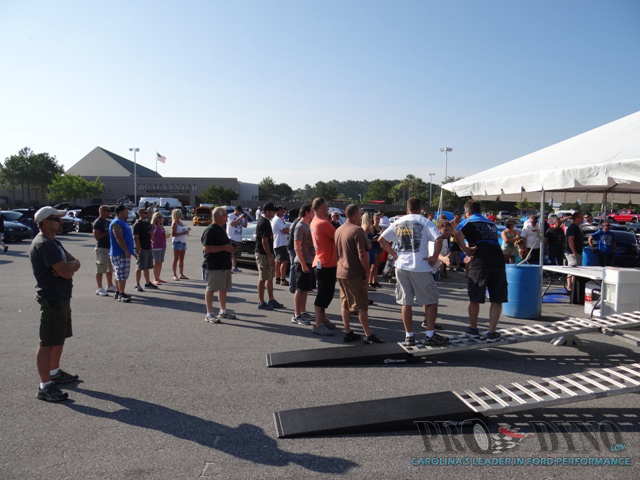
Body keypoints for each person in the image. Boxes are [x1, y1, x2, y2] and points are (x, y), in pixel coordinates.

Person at [379, 197, 447, 345]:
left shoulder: (398, 221)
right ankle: (429, 335)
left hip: (401, 266)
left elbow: (381, 240)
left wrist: (394, 254)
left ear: (407, 208)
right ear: (420, 208)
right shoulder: (425, 221)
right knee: (431, 301)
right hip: (420, 266)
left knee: (406, 303)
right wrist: (434, 257)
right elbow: (439, 238)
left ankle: (409, 335)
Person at [30, 206, 81, 402]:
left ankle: (54, 372)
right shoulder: (44, 244)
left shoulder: (54, 242)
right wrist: (68, 267)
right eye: (57, 219)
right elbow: (66, 272)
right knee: (47, 342)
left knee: (59, 337)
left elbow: (74, 263)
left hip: (61, 297)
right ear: (45, 222)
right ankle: (45, 386)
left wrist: (70, 265)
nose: (61, 222)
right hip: (52, 299)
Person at [454, 199, 507, 342]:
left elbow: (457, 233)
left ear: (468, 212)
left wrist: (465, 250)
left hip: (481, 259)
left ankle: (473, 329)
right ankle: (492, 332)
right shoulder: (491, 223)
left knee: (474, 296)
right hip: (498, 259)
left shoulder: (468, 221)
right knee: (497, 298)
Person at [335, 204, 385, 344]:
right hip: (354, 272)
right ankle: (368, 335)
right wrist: (367, 272)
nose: (361, 216)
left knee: (345, 303)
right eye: (360, 214)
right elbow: (362, 253)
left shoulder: (339, 229)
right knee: (362, 305)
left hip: (341, 271)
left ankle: (348, 331)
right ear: (355, 215)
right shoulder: (357, 230)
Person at [202, 207, 237, 323]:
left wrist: (230, 248)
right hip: (214, 265)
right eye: (225, 215)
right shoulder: (210, 230)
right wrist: (224, 248)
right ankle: (209, 314)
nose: (227, 217)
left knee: (222, 288)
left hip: (224, 264)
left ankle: (223, 311)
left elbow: (223, 245)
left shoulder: (221, 228)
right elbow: (207, 248)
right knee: (211, 289)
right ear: (218, 217)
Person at [310, 197, 338, 336]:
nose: (328, 209)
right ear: (321, 208)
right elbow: (338, 237)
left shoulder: (314, 222)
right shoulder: (323, 223)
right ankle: (318, 324)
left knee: (326, 293)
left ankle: (322, 319)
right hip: (325, 263)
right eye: (327, 207)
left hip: (322, 261)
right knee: (324, 294)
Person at [255, 203, 284, 310]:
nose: (274, 213)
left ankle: (271, 300)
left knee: (269, 277)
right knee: (263, 278)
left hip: (267, 253)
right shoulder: (264, 222)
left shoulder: (267, 222)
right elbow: (264, 241)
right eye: (273, 211)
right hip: (263, 254)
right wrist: (270, 256)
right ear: (267, 211)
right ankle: (261, 302)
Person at [291, 204, 316, 325]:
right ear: (306, 212)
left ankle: (303, 311)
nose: (314, 213)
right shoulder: (300, 226)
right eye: (312, 211)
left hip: (309, 260)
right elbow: (297, 247)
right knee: (300, 289)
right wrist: (303, 264)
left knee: (305, 289)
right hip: (302, 261)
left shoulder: (308, 225)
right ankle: (296, 315)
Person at [109, 205, 136, 302]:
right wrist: (125, 250)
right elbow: (118, 237)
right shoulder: (116, 223)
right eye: (125, 211)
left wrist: (131, 251)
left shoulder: (123, 222)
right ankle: (121, 294)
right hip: (119, 253)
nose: (127, 213)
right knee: (121, 274)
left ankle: (118, 292)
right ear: (120, 212)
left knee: (121, 273)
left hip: (124, 252)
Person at [92, 205, 116, 296]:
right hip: (102, 248)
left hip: (110, 247)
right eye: (107, 210)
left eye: (109, 211)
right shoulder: (98, 222)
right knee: (100, 268)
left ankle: (109, 285)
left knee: (110, 268)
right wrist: (108, 232)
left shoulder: (108, 222)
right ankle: (100, 288)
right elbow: (97, 236)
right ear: (101, 211)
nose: (109, 212)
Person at [133, 208, 157, 292]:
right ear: (139, 214)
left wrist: (152, 234)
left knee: (147, 266)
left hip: (148, 247)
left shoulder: (148, 224)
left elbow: (152, 237)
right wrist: (139, 249)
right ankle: (137, 284)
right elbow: (135, 237)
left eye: (147, 213)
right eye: (144, 213)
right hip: (141, 248)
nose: (146, 214)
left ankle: (147, 282)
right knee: (139, 267)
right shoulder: (137, 224)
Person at [564, 212, 584, 291]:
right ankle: (571, 288)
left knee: (573, 270)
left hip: (577, 252)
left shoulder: (577, 227)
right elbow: (570, 240)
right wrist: (574, 252)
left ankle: (572, 288)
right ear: (576, 218)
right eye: (580, 217)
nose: (582, 219)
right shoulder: (573, 227)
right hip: (572, 253)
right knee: (574, 270)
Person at [272, 206, 291, 286]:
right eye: (282, 211)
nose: (283, 212)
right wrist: (290, 228)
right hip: (280, 243)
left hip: (278, 243)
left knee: (278, 261)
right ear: (278, 211)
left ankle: (277, 278)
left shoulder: (276, 219)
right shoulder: (278, 219)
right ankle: (282, 279)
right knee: (285, 261)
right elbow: (284, 230)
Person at [226, 205, 248, 273]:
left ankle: (234, 267)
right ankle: (231, 267)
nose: (239, 213)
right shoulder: (230, 216)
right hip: (231, 237)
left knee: (236, 254)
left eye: (240, 212)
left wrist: (245, 219)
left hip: (238, 237)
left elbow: (245, 226)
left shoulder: (241, 217)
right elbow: (232, 224)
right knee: (232, 254)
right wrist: (240, 218)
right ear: (235, 210)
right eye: (238, 211)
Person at [171, 208, 190, 280]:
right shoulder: (174, 223)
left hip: (183, 242)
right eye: (178, 214)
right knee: (176, 259)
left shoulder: (181, 223)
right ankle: (174, 275)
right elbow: (173, 234)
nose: (179, 215)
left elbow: (183, 232)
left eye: (180, 214)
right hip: (177, 242)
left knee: (182, 259)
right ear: (175, 215)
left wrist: (187, 230)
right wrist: (183, 233)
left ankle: (181, 274)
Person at [150, 212, 168, 284]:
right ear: (155, 218)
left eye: (161, 217)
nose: (161, 219)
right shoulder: (154, 226)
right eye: (159, 217)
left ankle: (158, 277)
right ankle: (155, 279)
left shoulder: (162, 226)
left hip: (162, 246)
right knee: (156, 262)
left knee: (160, 262)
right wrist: (152, 237)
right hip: (156, 246)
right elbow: (151, 235)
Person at [368, 213, 384, 288]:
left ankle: (375, 280)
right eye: (376, 219)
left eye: (379, 219)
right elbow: (370, 239)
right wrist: (377, 236)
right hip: (374, 247)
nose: (378, 220)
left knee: (377, 265)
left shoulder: (380, 228)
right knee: (373, 265)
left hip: (379, 247)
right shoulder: (372, 227)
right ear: (373, 219)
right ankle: (370, 281)